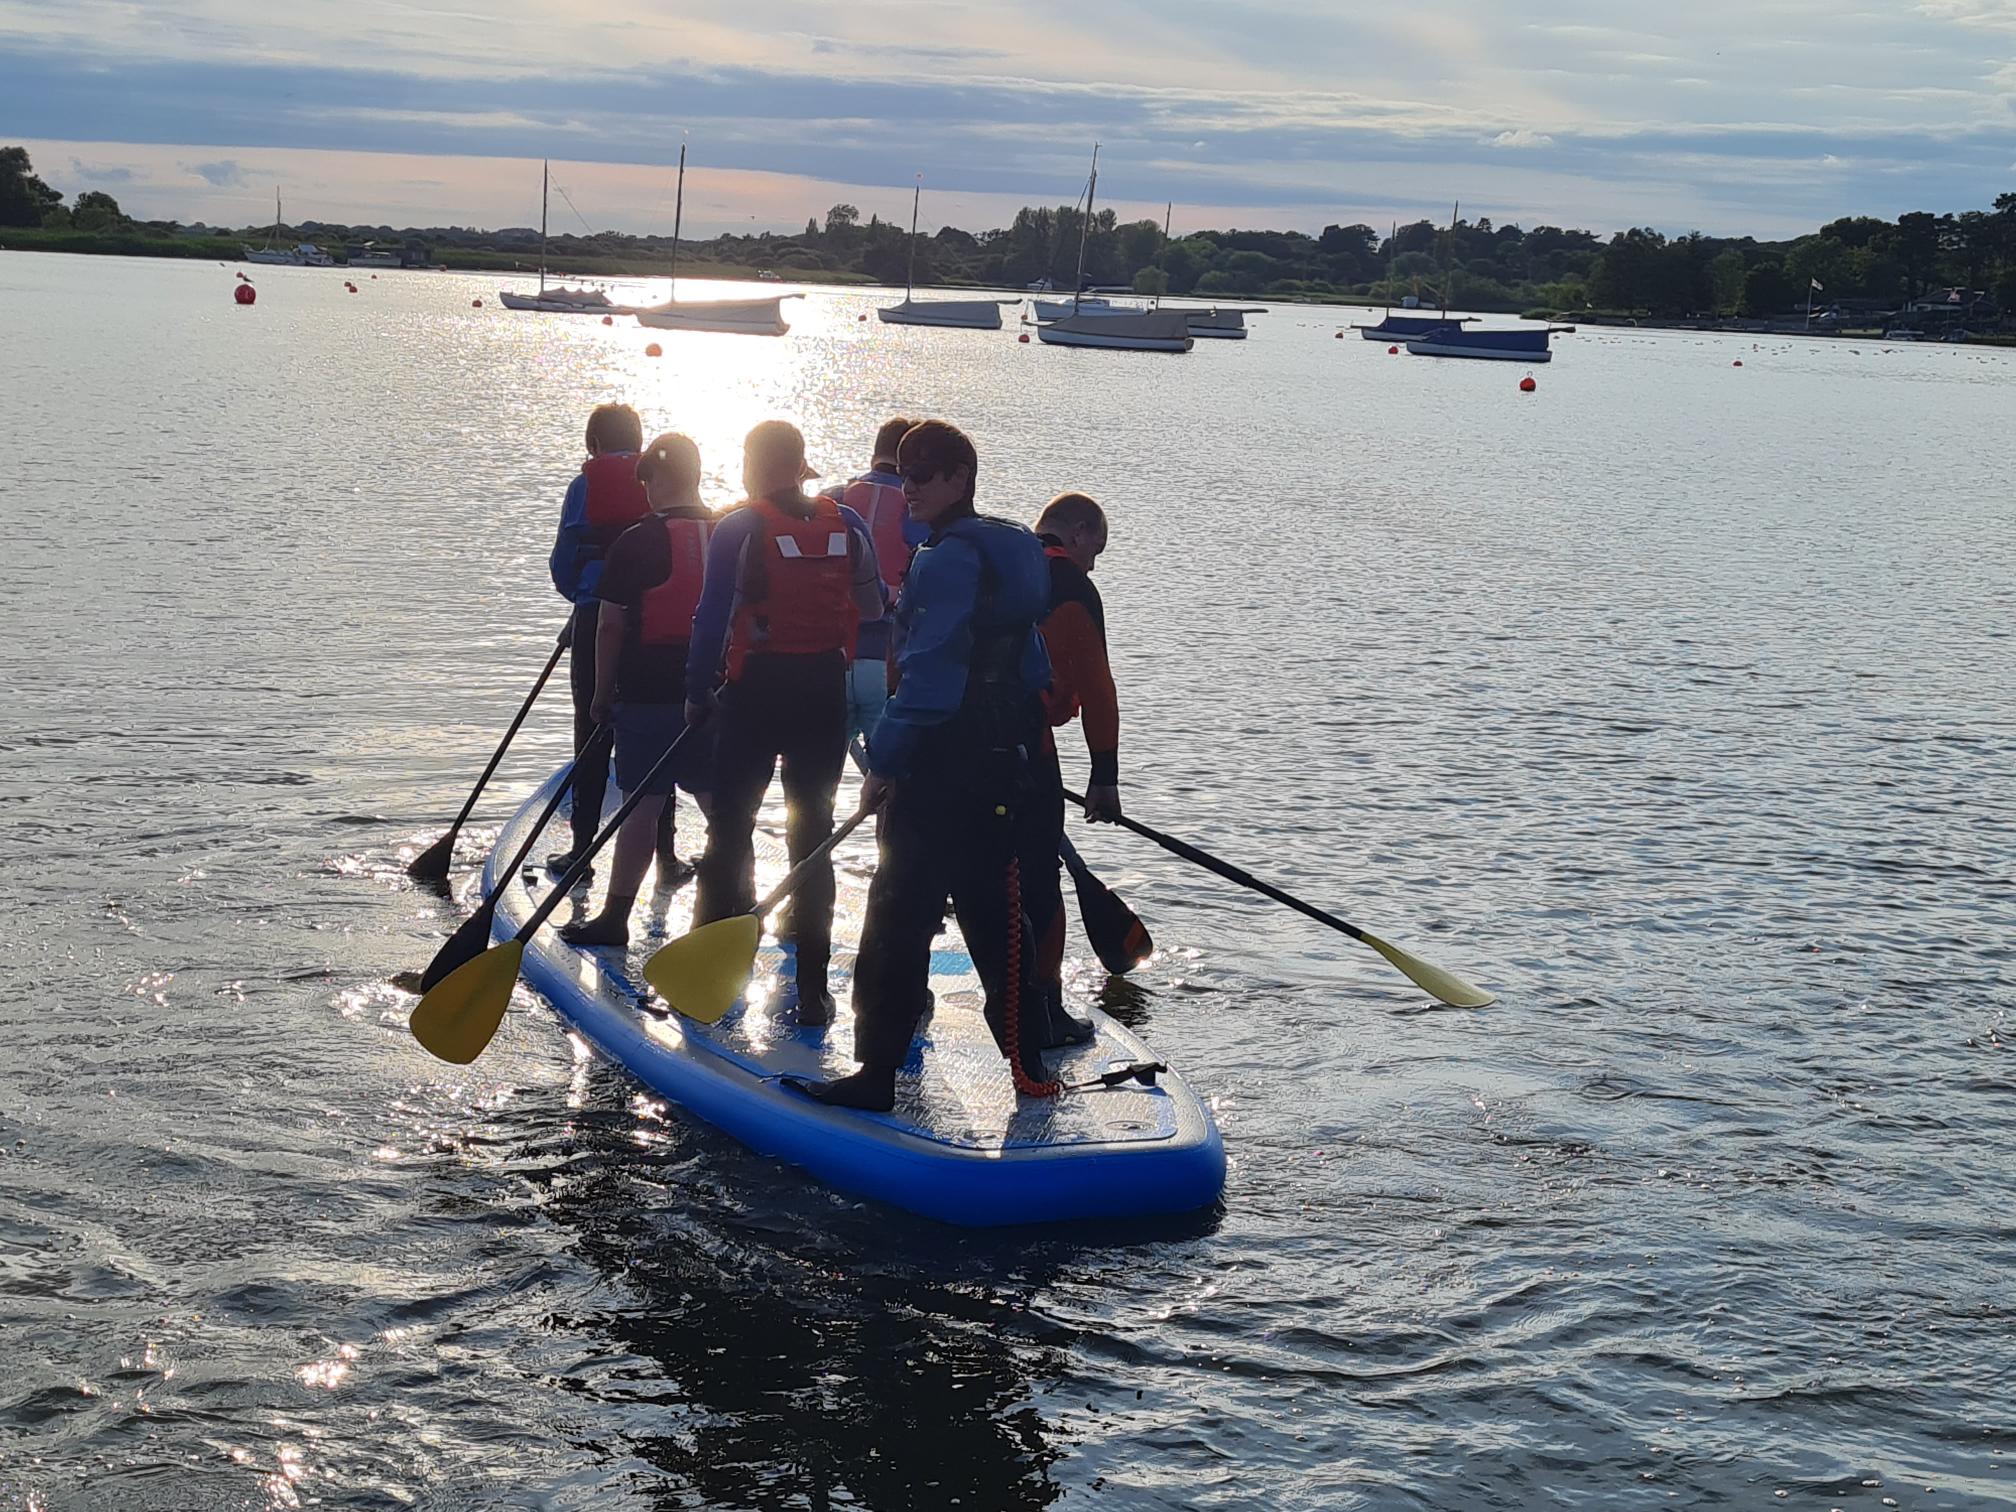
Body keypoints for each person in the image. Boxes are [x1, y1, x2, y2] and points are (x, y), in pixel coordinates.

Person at [788, 420, 1058, 1112]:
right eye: (905, 471)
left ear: (961, 479)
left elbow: (929, 681)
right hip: (1001, 767)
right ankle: (1030, 1068)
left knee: (896, 919)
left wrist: (883, 761)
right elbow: (1034, 669)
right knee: (997, 914)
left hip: (937, 769)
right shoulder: (1015, 550)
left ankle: (875, 1075)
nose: (909, 486)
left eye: (926, 473)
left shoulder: (943, 560)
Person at [686, 421, 885, 1024]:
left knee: (730, 826)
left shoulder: (738, 528)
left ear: (754, 464)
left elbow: (709, 617)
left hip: (754, 693)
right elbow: (876, 610)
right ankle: (815, 991)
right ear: (801, 467)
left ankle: (709, 968)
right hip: (823, 692)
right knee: (813, 835)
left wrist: (696, 691)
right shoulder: (849, 525)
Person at [558, 433, 716, 946]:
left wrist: (602, 696)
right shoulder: (730, 530)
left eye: (646, 480)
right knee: (720, 807)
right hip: (715, 693)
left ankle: (615, 918)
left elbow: (609, 627)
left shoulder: (635, 541)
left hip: (649, 692)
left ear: (657, 480)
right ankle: (726, 910)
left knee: (641, 806)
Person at [546, 403, 676, 876]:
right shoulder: (662, 480)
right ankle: (668, 857)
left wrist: (580, 600)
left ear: (593, 446)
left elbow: (564, 561)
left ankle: (581, 850)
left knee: (591, 730)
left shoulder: (585, 484)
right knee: (663, 736)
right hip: (654, 623)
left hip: (594, 613)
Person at [1026, 492, 1122, 1046]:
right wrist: (1103, 777)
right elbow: (1097, 688)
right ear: (1079, 533)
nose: (1093, 564)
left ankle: (913, 995)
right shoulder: (1073, 586)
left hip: (951, 742)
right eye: (1096, 551)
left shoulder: (998, 563)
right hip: (1026, 744)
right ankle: (1046, 1012)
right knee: (1040, 881)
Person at [825, 415, 929, 747]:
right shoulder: (920, 509)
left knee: (817, 789)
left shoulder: (833, 499)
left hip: (830, 664)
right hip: (884, 666)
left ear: (875, 452)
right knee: (885, 786)